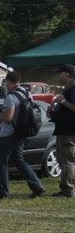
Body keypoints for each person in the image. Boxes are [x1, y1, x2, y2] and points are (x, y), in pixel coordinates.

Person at [0, 71, 46, 200]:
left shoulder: (11, 97)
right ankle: (37, 185)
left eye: (6, 82)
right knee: (19, 160)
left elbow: (8, 118)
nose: (5, 85)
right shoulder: (27, 93)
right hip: (21, 132)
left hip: (8, 134)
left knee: (1, 162)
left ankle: (1, 191)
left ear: (8, 81)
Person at [48, 64, 75, 198]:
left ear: (67, 75)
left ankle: (68, 190)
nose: (58, 76)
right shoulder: (67, 90)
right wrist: (52, 112)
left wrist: (63, 101)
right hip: (63, 129)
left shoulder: (73, 89)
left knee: (67, 161)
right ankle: (66, 188)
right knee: (62, 160)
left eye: (60, 73)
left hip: (69, 131)